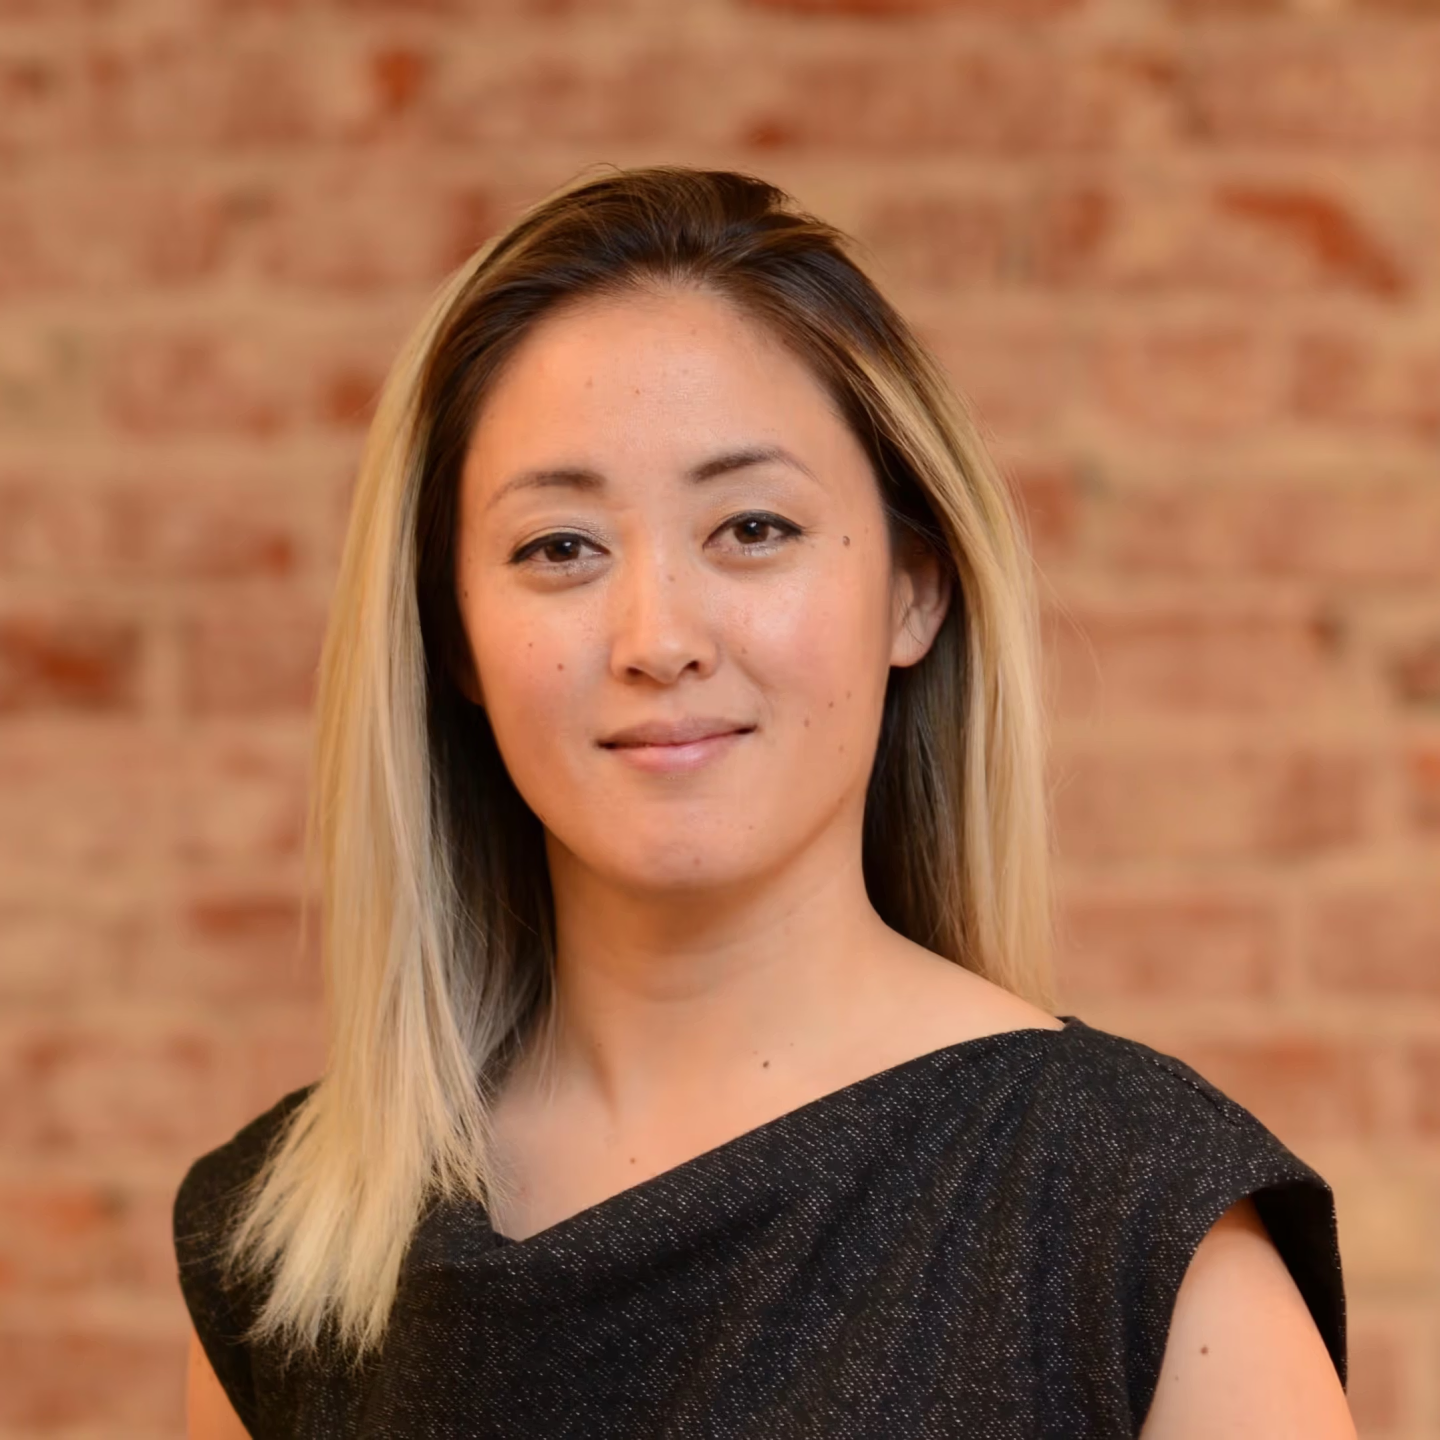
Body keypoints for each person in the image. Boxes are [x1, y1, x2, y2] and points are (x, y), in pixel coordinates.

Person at [173, 164, 1353, 1438]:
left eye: (751, 527)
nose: (657, 637)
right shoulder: (283, 1254)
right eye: (559, 546)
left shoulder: (1135, 1223)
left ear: (913, 589)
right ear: (451, 638)